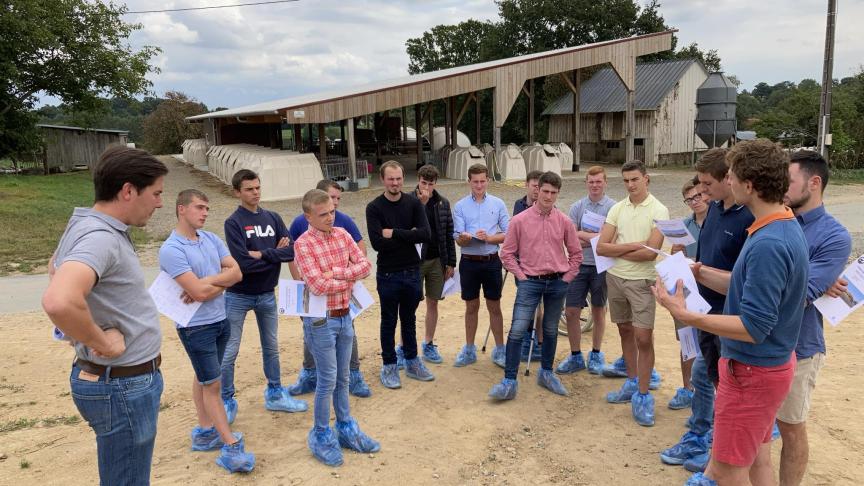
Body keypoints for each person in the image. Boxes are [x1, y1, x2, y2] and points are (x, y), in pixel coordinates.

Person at [655, 139, 809, 486]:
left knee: (727, 471)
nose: (729, 182)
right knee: (757, 461)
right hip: (764, 367)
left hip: (751, 371)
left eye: (734, 175)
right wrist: (699, 273)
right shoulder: (779, 226)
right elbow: (744, 290)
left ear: (748, 185)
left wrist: (689, 315)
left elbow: (754, 326)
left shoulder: (769, 243)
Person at [42, 146, 168, 484]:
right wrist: (101, 342)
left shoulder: (85, 224)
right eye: (155, 193)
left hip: (116, 382)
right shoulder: (100, 237)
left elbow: (54, 268)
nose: (159, 203)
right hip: (122, 385)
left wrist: (80, 333)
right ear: (128, 190)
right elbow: (59, 301)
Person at [659, 148, 755, 472]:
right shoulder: (714, 208)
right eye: (698, 184)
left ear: (729, 178)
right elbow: (702, 257)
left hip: (728, 318)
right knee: (704, 375)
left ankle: (715, 445)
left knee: (716, 380)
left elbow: (745, 279)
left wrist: (700, 274)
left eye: (706, 183)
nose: (701, 191)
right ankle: (701, 435)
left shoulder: (747, 218)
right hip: (704, 311)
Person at [159, 189, 255, 473]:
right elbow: (199, 293)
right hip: (195, 327)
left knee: (205, 376)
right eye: (199, 207)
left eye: (206, 209)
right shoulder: (172, 249)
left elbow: (237, 273)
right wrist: (212, 285)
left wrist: (208, 281)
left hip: (220, 319)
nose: (204, 213)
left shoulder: (211, 239)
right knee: (213, 384)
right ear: (181, 209)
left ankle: (204, 430)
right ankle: (229, 445)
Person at [775, 150, 851, 486]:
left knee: (791, 428)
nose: (782, 187)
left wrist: (812, 282)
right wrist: (810, 277)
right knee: (760, 428)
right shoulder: (774, 218)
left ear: (814, 182)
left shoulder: (834, 236)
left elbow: (798, 295)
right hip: (759, 341)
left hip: (800, 346)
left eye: (789, 181)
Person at [294, 189, 380, 466]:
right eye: (323, 214)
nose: (330, 217)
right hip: (321, 321)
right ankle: (321, 433)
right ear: (308, 215)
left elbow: (366, 266)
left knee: (343, 377)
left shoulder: (343, 235)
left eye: (331, 211)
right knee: (327, 379)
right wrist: (348, 278)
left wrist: (337, 274)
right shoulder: (303, 244)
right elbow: (316, 285)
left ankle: (344, 427)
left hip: (345, 316)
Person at [221, 169, 308, 423]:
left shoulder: (273, 217)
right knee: (230, 350)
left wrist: (262, 254)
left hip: (267, 294)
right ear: (237, 192)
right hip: (238, 295)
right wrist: (273, 254)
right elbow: (243, 264)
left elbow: (292, 252)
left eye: (257, 187)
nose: (255, 193)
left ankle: (275, 393)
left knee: (271, 347)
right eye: (249, 189)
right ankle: (226, 400)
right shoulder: (233, 222)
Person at [489, 171, 582, 399]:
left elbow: (576, 254)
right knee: (518, 329)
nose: (549, 196)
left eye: (554, 192)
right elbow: (507, 254)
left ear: (558, 194)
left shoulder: (564, 221)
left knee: (550, 330)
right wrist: (521, 277)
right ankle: (509, 381)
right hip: (529, 282)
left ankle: (547, 373)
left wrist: (566, 279)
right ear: (536, 190)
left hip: (557, 282)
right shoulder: (519, 221)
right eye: (545, 191)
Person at [597, 160, 669, 427]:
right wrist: (636, 245)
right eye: (626, 180)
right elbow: (602, 248)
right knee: (624, 331)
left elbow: (651, 253)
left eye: (635, 180)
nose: (630, 185)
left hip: (642, 282)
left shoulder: (660, 209)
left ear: (646, 179)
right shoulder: (617, 208)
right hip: (615, 278)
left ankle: (643, 393)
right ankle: (631, 381)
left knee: (643, 338)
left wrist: (623, 248)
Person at [287, 180, 372, 398]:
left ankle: (354, 373)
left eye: (336, 202)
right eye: (331, 199)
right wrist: (301, 282)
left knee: (347, 334)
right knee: (312, 338)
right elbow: (293, 256)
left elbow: (362, 255)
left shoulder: (342, 224)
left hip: (341, 301)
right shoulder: (300, 224)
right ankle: (309, 373)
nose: (333, 210)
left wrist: (339, 274)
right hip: (314, 300)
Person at [366, 160, 434, 389]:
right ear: (383, 180)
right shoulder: (374, 208)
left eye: (398, 178)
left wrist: (393, 233)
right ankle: (389, 365)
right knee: (388, 321)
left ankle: (412, 360)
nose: (395, 183)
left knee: (409, 320)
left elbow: (425, 234)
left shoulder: (414, 204)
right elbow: (377, 243)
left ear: (403, 179)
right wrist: (409, 235)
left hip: (412, 272)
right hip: (387, 274)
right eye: (390, 179)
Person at [555, 165, 616, 375]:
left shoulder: (613, 208)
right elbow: (572, 241)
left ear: (605, 183)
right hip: (579, 265)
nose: (595, 185)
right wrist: (597, 238)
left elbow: (612, 240)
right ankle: (575, 356)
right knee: (571, 311)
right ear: (586, 183)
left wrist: (584, 235)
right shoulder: (577, 207)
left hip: (602, 267)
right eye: (591, 181)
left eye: (599, 181)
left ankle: (596, 353)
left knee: (598, 310)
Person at [452, 164, 510, 368]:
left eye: (482, 181)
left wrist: (490, 238)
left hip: (491, 261)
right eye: (475, 181)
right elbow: (457, 237)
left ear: (488, 181)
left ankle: (500, 350)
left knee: (494, 306)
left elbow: (509, 233)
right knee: (471, 306)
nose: (479, 185)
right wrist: (464, 238)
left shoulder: (498, 203)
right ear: (469, 181)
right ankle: (469, 349)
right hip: (469, 262)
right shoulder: (459, 206)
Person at [665, 177, 708, 410]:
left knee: (712, 345)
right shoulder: (683, 226)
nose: (694, 202)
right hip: (688, 292)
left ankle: (707, 394)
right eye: (689, 199)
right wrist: (674, 252)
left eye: (697, 196)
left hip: (711, 292)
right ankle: (687, 389)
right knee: (687, 343)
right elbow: (675, 260)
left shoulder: (717, 223)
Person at [408, 164, 456, 364]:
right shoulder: (408, 201)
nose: (426, 187)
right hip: (415, 261)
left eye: (431, 183)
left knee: (433, 302)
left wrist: (451, 262)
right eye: (423, 182)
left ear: (436, 183)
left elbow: (448, 233)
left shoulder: (443, 203)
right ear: (418, 180)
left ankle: (428, 343)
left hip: (438, 260)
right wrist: (421, 204)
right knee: (409, 305)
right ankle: (405, 346)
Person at [513, 170, 544, 362]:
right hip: (522, 262)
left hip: (540, 263)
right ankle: (525, 336)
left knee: (538, 304)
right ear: (527, 185)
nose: (537, 190)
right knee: (526, 302)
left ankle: (538, 340)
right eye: (534, 186)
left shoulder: (547, 204)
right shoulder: (519, 204)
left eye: (539, 187)